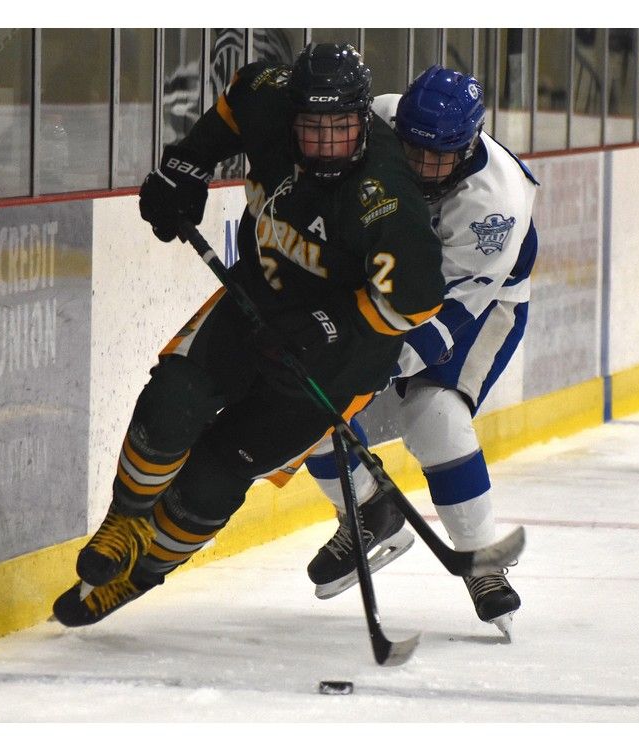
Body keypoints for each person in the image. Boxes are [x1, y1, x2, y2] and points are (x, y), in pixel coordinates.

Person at [52, 44, 444, 627]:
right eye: (312, 128)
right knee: (174, 398)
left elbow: (416, 301)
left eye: (340, 128)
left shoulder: (385, 195)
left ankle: (140, 575)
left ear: (363, 119)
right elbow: (236, 103)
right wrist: (187, 166)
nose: (326, 144)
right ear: (291, 115)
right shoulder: (269, 97)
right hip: (258, 298)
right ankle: (125, 521)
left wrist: (331, 326)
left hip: (340, 362)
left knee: (217, 475)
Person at [302, 66, 538, 639]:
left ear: (468, 145)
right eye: (412, 148)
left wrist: (367, 369)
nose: (420, 165)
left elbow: (445, 321)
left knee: (434, 415)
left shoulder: (497, 203)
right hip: (381, 276)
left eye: (438, 156)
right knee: (298, 398)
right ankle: (368, 511)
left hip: (477, 303)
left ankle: (481, 562)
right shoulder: (379, 119)